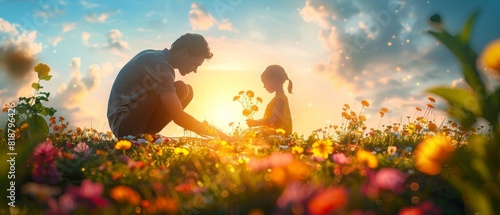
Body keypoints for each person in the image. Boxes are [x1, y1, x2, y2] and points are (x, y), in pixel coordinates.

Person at [107, 33, 230, 140]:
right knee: (181, 89)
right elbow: (178, 116)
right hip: (123, 123)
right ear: (184, 53)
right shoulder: (161, 66)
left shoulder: (156, 57)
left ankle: (146, 136)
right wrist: (218, 134)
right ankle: (140, 136)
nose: (195, 71)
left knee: (186, 91)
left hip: (123, 118)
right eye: (195, 64)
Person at [246, 65, 293, 135]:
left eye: (265, 83)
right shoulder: (278, 98)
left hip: (278, 138)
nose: (264, 86)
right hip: (274, 136)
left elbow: (273, 118)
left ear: (274, 80)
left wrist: (255, 123)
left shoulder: (279, 100)